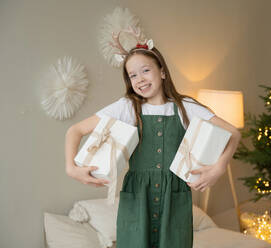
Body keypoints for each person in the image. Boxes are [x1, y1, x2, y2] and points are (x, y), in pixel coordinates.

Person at [65, 42, 241, 248]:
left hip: (175, 198)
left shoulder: (185, 107)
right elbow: (74, 131)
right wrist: (72, 169)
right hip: (136, 197)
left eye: (145, 70)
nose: (140, 79)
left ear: (163, 72)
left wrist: (218, 168)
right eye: (133, 75)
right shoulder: (127, 107)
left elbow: (233, 133)